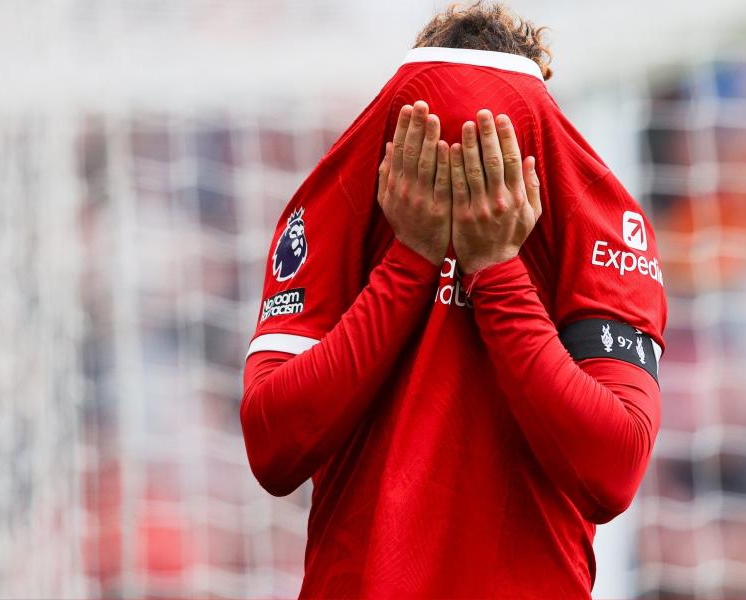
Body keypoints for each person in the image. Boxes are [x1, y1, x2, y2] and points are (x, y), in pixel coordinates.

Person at [240, 3, 667, 597]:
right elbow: (273, 445)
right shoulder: (346, 200)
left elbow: (612, 469)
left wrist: (495, 270)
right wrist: (409, 262)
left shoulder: (593, 225)